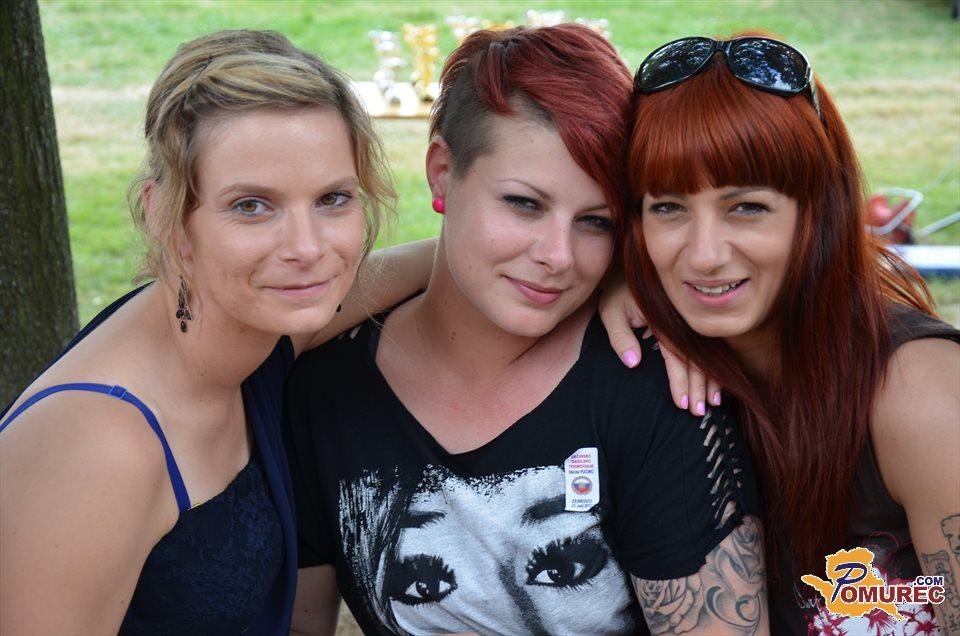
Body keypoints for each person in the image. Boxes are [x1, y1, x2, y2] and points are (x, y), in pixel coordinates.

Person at [285, 24, 767, 635]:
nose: (557, 257)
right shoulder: (324, 391)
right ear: (441, 171)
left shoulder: (652, 388)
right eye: (524, 204)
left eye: (595, 221)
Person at [0, 29, 438, 634]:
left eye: (333, 198)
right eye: (251, 206)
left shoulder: (253, 329)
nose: (309, 248)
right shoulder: (100, 448)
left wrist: (556, 267)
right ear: (165, 215)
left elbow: (404, 271)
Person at [606, 33, 960, 634]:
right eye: (668, 207)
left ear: (817, 210)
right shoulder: (634, 356)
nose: (704, 254)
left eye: (746, 207)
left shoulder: (918, 392)